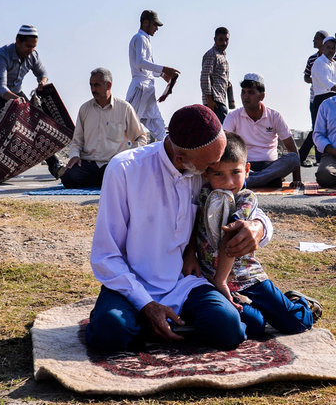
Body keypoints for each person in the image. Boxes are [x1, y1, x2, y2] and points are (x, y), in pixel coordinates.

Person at [85, 104, 273, 352]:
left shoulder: (203, 167)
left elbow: (244, 203)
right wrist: (146, 305)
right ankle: (147, 320)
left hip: (184, 283)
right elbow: (105, 256)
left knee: (229, 328)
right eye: (211, 167)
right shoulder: (125, 170)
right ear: (180, 159)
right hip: (132, 284)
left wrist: (259, 226)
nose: (215, 172)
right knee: (111, 333)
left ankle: (165, 324)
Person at [184, 132, 320, 338]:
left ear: (247, 170)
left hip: (248, 278)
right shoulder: (204, 195)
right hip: (213, 280)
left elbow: (231, 236)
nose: (228, 182)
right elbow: (194, 226)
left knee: (295, 322)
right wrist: (191, 253)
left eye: (235, 172)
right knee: (255, 325)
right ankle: (254, 307)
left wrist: (220, 282)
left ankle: (300, 302)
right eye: (218, 174)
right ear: (206, 175)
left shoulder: (246, 199)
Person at [0, 24, 63, 179]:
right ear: (17, 41)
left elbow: (42, 73)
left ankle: (55, 164)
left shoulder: (33, 55)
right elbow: (1, 88)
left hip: (17, 93)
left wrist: (42, 83)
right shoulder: (1, 55)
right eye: (27, 46)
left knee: (37, 126)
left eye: (33, 47)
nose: (30, 50)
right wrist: (19, 101)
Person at [61, 67, 146, 189]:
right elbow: (77, 141)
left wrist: (127, 157)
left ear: (109, 85)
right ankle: (105, 182)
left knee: (122, 177)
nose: (93, 89)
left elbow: (140, 138)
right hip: (89, 164)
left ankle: (107, 180)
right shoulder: (84, 109)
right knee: (68, 178)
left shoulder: (124, 108)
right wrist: (75, 156)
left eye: (97, 85)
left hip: (113, 164)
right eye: (91, 85)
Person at [222, 73, 302, 188]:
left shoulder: (274, 116)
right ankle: (267, 180)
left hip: (270, 166)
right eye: (243, 92)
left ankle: (248, 182)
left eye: (251, 92)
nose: (245, 97)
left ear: (262, 96)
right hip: (244, 166)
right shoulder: (233, 116)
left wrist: (297, 179)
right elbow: (223, 143)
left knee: (293, 158)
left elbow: (291, 148)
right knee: (272, 181)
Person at [126, 10, 180, 142]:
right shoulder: (139, 38)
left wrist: (162, 74)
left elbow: (148, 65)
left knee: (158, 126)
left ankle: (167, 155)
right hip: (140, 88)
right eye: (155, 25)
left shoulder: (144, 39)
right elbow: (140, 62)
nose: (156, 28)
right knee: (128, 127)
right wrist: (165, 69)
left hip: (147, 88)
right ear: (146, 23)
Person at [300, 30, 336, 167]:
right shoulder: (316, 61)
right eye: (328, 47)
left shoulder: (334, 61)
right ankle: (302, 156)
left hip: (333, 97)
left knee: (327, 129)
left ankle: (321, 157)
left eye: (333, 48)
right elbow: (324, 81)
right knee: (318, 129)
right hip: (319, 97)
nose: (331, 50)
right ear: (323, 47)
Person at [200, 26, 235, 123]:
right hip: (215, 101)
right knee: (223, 133)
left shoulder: (222, 55)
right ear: (215, 39)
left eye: (226, 40)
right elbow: (205, 77)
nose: (224, 43)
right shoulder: (212, 54)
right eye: (221, 39)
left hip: (221, 100)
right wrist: (209, 99)